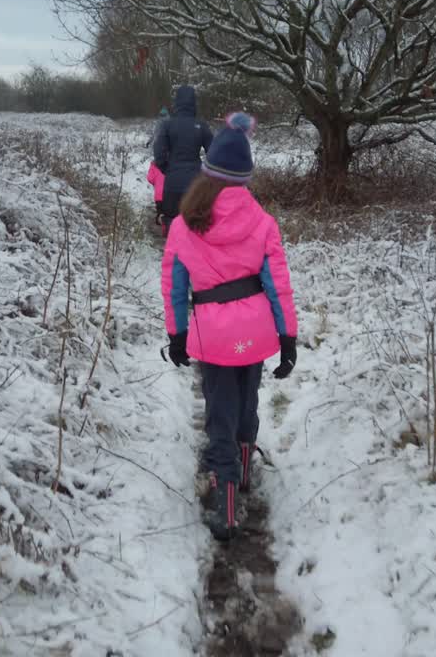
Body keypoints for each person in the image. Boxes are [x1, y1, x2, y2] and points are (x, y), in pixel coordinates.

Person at [161, 112, 298, 541]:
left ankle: (227, 506)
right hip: (254, 335)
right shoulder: (263, 221)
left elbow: (174, 282)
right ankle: (241, 474)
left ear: (207, 172)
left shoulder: (185, 224)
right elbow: (278, 284)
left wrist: (177, 333)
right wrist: (287, 337)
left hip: (213, 336)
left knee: (219, 412)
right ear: (244, 177)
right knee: (247, 402)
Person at [152, 86, 213, 229]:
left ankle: (174, 249)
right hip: (195, 184)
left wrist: (168, 169)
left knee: (172, 223)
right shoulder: (201, 125)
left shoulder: (167, 125)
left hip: (172, 183)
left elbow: (158, 153)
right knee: (195, 225)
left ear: (176, 103)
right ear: (194, 103)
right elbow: (215, 154)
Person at [146, 107, 169, 227]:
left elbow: (154, 135)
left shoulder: (158, 123)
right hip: (169, 155)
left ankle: (161, 218)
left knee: (157, 175)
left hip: (158, 153)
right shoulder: (171, 123)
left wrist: (149, 142)